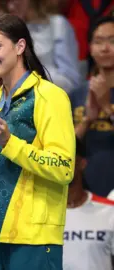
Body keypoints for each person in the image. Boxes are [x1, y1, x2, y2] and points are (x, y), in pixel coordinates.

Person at [0, 14, 76, 269]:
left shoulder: (49, 96)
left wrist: (10, 143)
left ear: (20, 47)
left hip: (32, 240)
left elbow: (63, 167)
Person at [70, 16, 114, 197]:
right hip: (86, 192)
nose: (105, 48)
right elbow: (64, 150)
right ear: (90, 47)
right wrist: (87, 120)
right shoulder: (74, 95)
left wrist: (107, 107)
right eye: (98, 41)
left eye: (112, 41)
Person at [62, 138, 114, 270]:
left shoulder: (109, 210)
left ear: (81, 163)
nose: (59, 164)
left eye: (65, 158)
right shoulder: (40, 215)